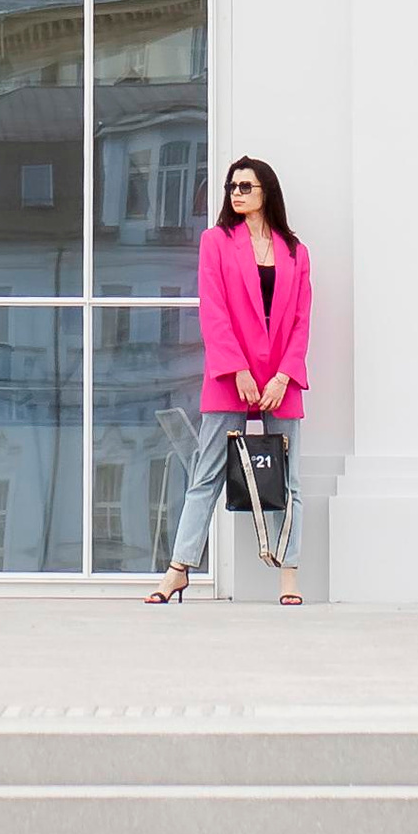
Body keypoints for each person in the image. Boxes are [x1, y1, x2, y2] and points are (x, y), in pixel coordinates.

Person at [147, 156, 311, 606]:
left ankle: (289, 575)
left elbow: (300, 320)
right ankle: (178, 569)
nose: (236, 193)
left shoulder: (294, 251)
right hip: (229, 374)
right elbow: (213, 310)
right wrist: (237, 368)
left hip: (282, 376)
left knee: (290, 479)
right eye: (232, 186)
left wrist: (283, 376)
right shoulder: (216, 242)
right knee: (207, 473)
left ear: (266, 192)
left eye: (246, 186)